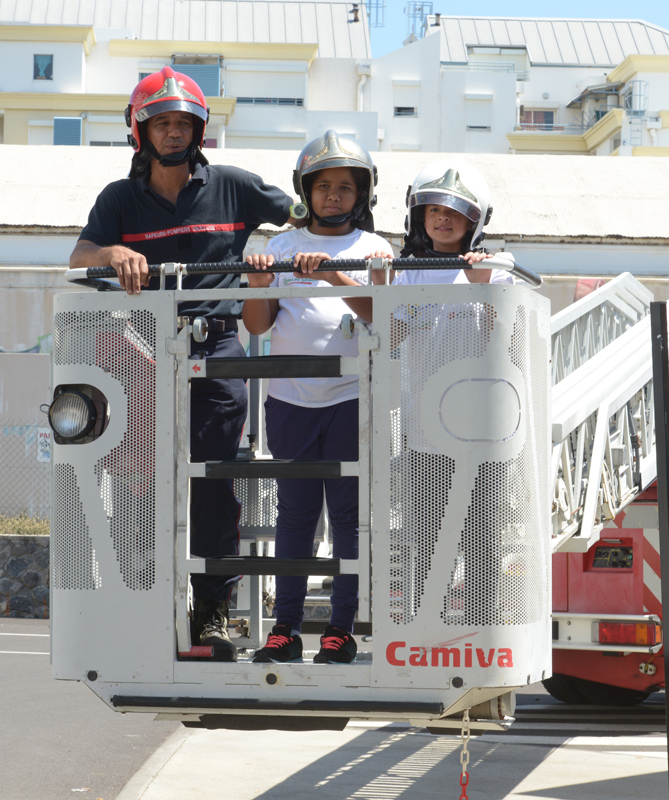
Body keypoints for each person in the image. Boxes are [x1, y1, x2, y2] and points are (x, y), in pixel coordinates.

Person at [69, 67, 298, 660]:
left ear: (199, 131)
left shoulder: (233, 185)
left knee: (215, 486)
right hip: (138, 352)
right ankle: (141, 607)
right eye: (161, 122)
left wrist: (277, 256)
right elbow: (79, 256)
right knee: (139, 483)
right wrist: (113, 250)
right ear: (138, 131)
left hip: (218, 347)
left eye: (183, 123)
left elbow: (309, 215)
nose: (173, 133)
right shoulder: (118, 199)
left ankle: (213, 618)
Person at [240, 131, 393, 664]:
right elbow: (257, 326)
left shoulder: (376, 249)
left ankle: (340, 629)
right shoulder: (279, 247)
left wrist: (330, 273)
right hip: (290, 398)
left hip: (353, 397)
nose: (334, 196)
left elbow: (381, 314)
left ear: (363, 194)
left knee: (349, 516)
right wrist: (259, 285)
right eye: (323, 185)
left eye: (346, 187)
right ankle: (284, 628)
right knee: (296, 515)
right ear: (306, 189)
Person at [374, 158, 516, 627]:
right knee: (427, 539)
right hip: (424, 433)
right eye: (433, 209)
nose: (442, 219)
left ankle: (480, 633)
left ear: (477, 221)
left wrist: (485, 289)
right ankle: (425, 633)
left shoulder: (497, 267)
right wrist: (380, 289)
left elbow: (507, 344)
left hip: (484, 438)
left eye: (456, 212)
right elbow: (389, 337)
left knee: (481, 542)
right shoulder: (412, 272)